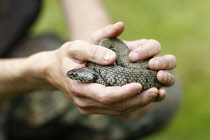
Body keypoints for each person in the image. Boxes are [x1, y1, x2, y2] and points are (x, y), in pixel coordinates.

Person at [0, 0, 181, 139]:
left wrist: (100, 49)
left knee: (160, 95)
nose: (75, 76)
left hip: (13, 50)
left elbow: (83, 9)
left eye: (77, 75)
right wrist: (42, 70)